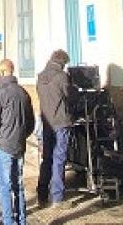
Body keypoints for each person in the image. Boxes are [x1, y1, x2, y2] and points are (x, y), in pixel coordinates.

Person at [0, 59, 35, 225]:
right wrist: (22, 137)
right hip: (19, 146)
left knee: (5, 186)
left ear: (0, 73)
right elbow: (31, 123)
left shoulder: (0, 94)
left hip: (4, 146)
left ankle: (8, 221)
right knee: (18, 185)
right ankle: (22, 220)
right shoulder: (23, 93)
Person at [35, 49, 73, 207]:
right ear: (63, 62)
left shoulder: (40, 77)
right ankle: (57, 197)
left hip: (46, 122)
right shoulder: (62, 76)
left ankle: (42, 194)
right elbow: (70, 96)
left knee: (47, 158)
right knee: (59, 158)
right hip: (60, 122)